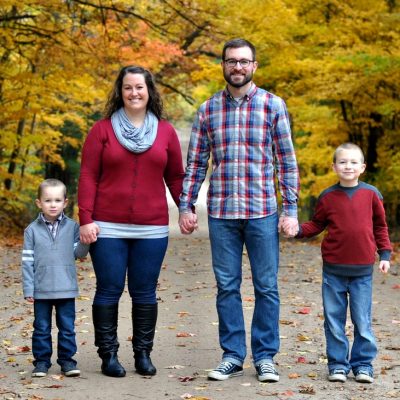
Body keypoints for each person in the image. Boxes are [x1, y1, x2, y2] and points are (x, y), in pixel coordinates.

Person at [179, 38, 300, 382]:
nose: (238, 67)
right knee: (227, 286)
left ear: (254, 66)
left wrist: (290, 209)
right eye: (231, 61)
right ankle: (232, 355)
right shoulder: (208, 110)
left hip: (262, 210)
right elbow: (196, 163)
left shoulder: (273, 106)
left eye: (244, 62)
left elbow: (286, 162)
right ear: (223, 65)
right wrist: (186, 205)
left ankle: (265, 357)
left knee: (266, 286)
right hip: (221, 214)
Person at [78, 65, 184, 378]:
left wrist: (186, 208)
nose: (134, 93)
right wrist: (85, 218)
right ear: (120, 91)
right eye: (128, 87)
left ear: (149, 91)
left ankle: (143, 353)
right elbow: (88, 176)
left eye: (139, 87)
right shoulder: (101, 130)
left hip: (151, 228)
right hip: (106, 226)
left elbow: (176, 176)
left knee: (145, 292)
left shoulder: (165, 131)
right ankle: (108, 355)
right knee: (109, 290)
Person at [293, 143, 391, 384]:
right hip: (333, 271)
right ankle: (338, 364)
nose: (348, 166)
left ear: (363, 167)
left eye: (353, 162)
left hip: (362, 272)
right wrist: (296, 229)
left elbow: (380, 226)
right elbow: (316, 224)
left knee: (362, 320)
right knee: (334, 319)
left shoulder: (371, 195)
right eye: (343, 162)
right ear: (334, 167)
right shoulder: (327, 197)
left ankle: (363, 365)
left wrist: (385, 254)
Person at [22, 179, 89, 378]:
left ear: (65, 203)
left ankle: (67, 361)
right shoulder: (31, 230)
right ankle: (42, 362)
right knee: (41, 328)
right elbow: (27, 262)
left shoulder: (73, 227)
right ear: (38, 203)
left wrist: (88, 241)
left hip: (66, 288)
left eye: (57, 200)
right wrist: (28, 288)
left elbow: (79, 254)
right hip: (41, 289)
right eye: (48, 200)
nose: (53, 204)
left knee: (67, 328)